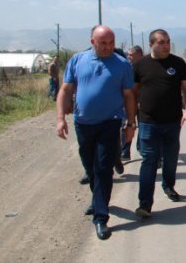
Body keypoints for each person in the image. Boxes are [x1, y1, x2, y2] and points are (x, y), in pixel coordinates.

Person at [56, 25, 136, 241]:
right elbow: (65, 90)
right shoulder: (77, 60)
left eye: (111, 43)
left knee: (102, 168)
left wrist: (131, 124)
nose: (108, 47)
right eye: (103, 43)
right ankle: (98, 197)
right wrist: (60, 118)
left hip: (110, 123)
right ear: (92, 41)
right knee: (90, 166)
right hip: (83, 123)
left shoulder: (122, 65)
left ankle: (101, 217)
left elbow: (129, 95)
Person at [134, 29, 186, 218]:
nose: (166, 45)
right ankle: (145, 203)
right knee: (149, 161)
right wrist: (130, 118)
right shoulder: (140, 65)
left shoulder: (177, 63)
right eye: (161, 42)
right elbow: (133, 93)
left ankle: (168, 186)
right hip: (148, 123)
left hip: (171, 122)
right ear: (151, 44)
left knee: (170, 159)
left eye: (167, 41)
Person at [120, 45, 144, 161]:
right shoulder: (127, 67)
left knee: (142, 125)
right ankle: (125, 152)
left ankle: (141, 148)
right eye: (128, 54)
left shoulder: (145, 67)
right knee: (127, 125)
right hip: (128, 102)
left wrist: (140, 100)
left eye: (131, 55)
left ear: (138, 55)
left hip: (141, 102)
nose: (129, 57)